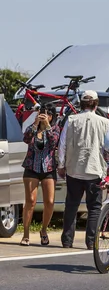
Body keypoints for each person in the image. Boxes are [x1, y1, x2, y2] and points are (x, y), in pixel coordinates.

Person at [57, 90, 109, 249]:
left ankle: (67, 241)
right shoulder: (105, 122)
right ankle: (91, 242)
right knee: (94, 207)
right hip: (95, 171)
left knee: (71, 206)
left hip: (74, 169)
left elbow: (62, 144)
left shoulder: (72, 120)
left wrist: (61, 165)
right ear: (96, 104)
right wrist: (108, 168)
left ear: (81, 104)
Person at [20, 104, 60, 246]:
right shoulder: (32, 127)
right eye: (42, 113)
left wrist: (47, 126)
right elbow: (25, 139)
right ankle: (26, 234)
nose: (44, 116)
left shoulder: (54, 128)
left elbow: (54, 142)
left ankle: (43, 230)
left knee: (49, 201)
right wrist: (36, 123)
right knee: (30, 201)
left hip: (48, 168)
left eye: (48, 114)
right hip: (32, 167)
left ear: (52, 116)